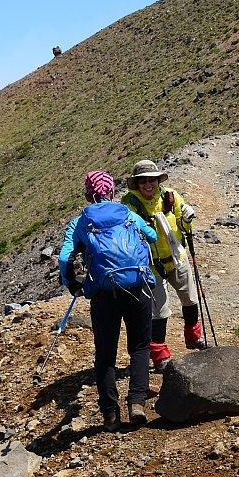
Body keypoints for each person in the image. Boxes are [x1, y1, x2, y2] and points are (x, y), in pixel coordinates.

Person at [58, 170, 157, 429]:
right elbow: (154, 236)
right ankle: (136, 403)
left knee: (105, 355)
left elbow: (63, 258)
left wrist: (72, 284)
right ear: (112, 191)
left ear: (88, 194)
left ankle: (110, 415)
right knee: (139, 347)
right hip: (137, 287)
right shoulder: (127, 213)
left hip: (104, 295)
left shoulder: (81, 221)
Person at [122, 160, 206, 372]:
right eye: (143, 181)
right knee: (159, 311)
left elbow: (183, 226)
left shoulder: (171, 197)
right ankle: (160, 356)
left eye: (152, 180)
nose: (148, 185)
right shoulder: (130, 204)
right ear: (137, 183)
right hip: (150, 264)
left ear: (159, 180)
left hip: (176, 257)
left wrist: (188, 219)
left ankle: (193, 338)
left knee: (190, 299)